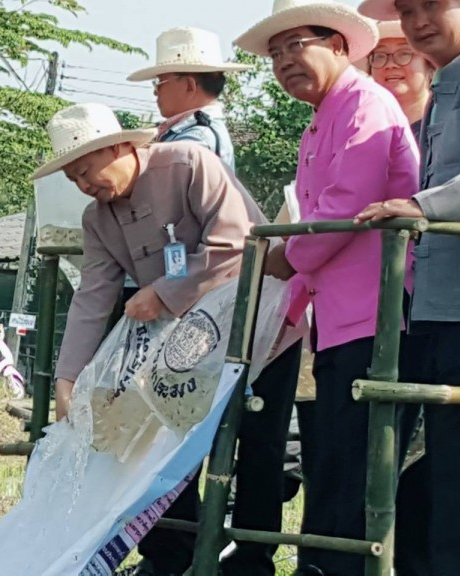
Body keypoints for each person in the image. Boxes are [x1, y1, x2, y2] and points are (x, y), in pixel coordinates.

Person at [37, 102, 299, 576]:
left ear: (119, 147)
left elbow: (236, 241)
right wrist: (68, 377)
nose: (84, 184)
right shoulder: (98, 220)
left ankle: (253, 560)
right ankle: (168, 556)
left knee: (260, 444)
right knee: (158, 444)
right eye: (72, 178)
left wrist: (163, 291)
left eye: (86, 169)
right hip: (183, 348)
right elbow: (93, 297)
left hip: (260, 322)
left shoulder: (190, 164)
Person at [235, 1, 420, 575]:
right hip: (341, 315)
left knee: (358, 458)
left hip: (380, 310)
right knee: (335, 455)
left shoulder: (364, 102)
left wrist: (285, 260)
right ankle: (325, 565)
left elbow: (347, 206)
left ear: (339, 45)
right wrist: (282, 315)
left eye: (298, 45)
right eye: (276, 52)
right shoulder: (321, 120)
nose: (287, 61)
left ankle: (343, 568)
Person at [356, 1, 460, 575]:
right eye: (406, 9)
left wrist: (419, 207)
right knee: (420, 471)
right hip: (431, 302)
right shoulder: (445, 82)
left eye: (431, 4)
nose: (418, 19)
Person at [124, 28, 302, 576]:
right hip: (225, 299)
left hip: (219, 304)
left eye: (164, 80)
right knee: (244, 436)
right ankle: (238, 553)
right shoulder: (187, 137)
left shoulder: (190, 148)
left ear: (188, 82)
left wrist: (169, 288)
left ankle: (186, 552)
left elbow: (185, 239)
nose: (157, 91)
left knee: (198, 427)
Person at [363, 19, 434, 576]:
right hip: (367, 304)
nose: (389, 66)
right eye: (378, 55)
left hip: (436, 301)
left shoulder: (441, 126)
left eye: (401, 53)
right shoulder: (359, 125)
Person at [127, 27, 252, 168]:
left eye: (159, 83)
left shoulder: (196, 139)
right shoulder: (193, 132)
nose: (156, 92)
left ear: (189, 86)